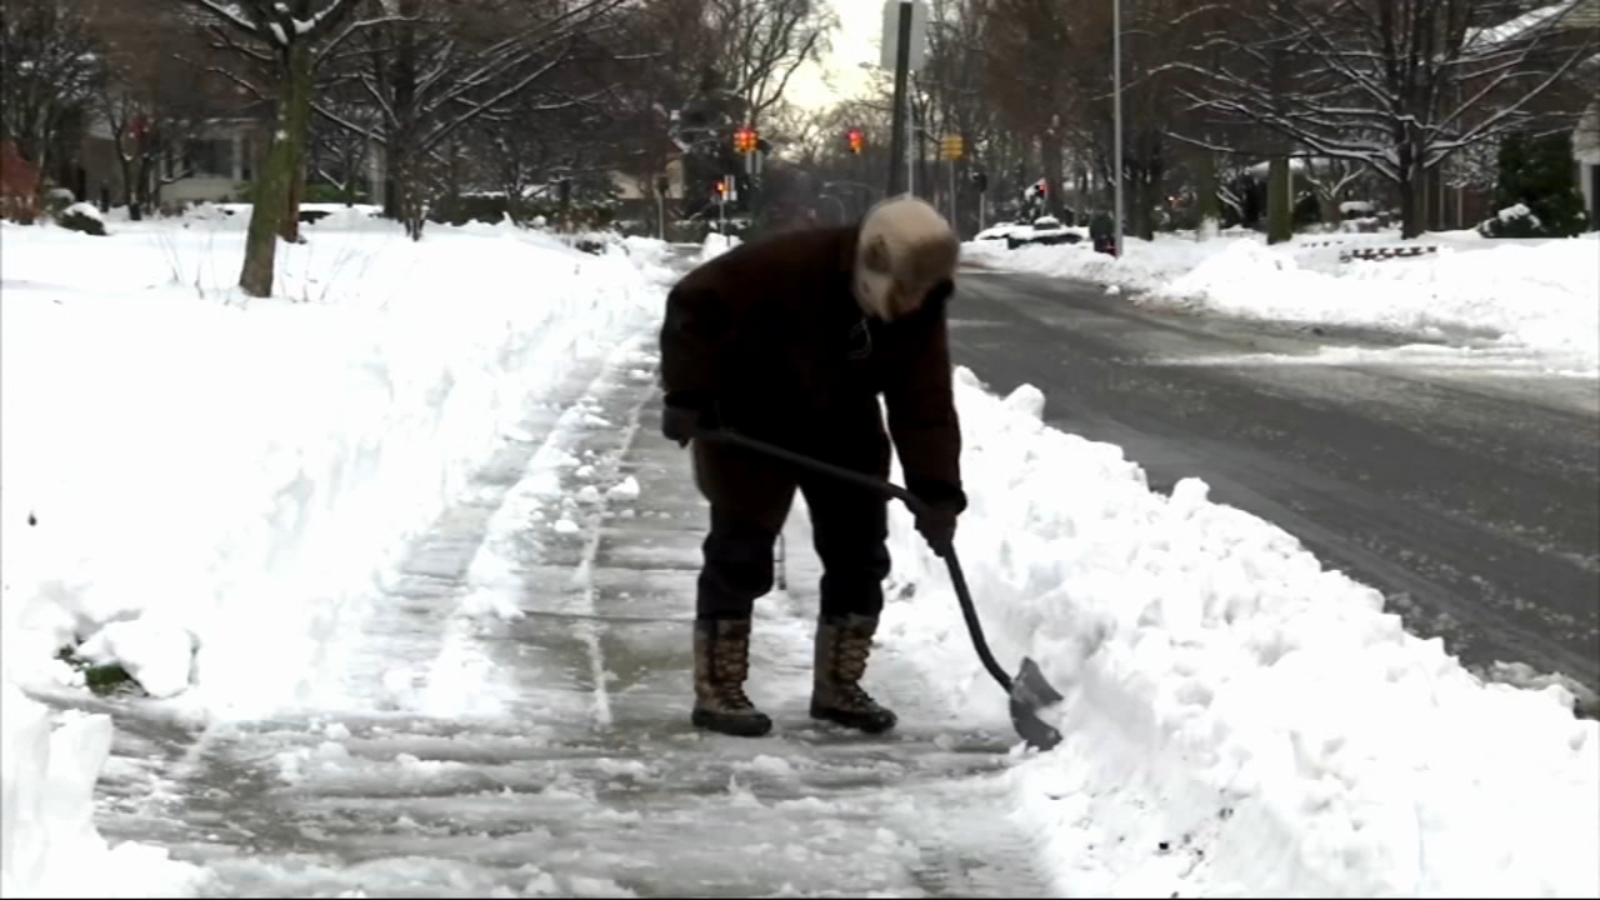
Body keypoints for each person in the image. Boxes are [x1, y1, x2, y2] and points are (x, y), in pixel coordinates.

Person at [657, 195, 967, 738]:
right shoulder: (785, 266)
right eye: (906, 289)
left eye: (924, 293)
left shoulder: (921, 305)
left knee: (860, 553)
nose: (914, 304)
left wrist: (937, 492)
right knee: (740, 551)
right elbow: (693, 304)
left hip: (844, 421)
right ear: (874, 265)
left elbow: (926, 405)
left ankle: (838, 688)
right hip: (748, 417)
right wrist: (688, 395)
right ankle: (719, 689)